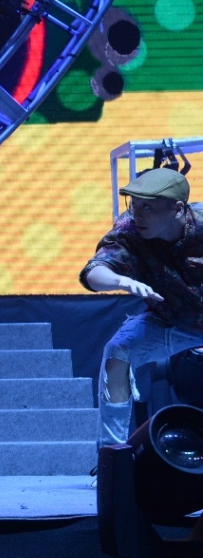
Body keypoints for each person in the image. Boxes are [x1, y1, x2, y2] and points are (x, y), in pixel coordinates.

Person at [80, 167, 203, 451]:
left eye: (147, 207)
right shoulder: (129, 231)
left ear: (177, 209)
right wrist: (121, 280)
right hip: (172, 320)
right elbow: (94, 273)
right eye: (134, 204)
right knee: (118, 351)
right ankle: (113, 454)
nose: (138, 214)